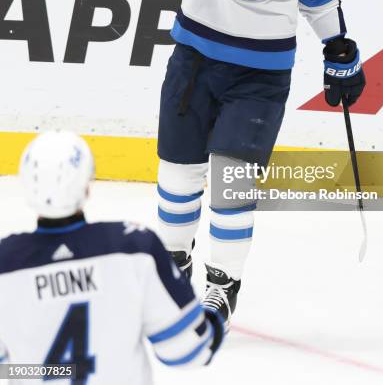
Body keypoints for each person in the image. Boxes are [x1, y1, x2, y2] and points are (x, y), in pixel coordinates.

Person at [157, 0, 365, 328]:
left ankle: (221, 286)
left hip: (260, 75)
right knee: (178, 179)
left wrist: (338, 46)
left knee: (232, 186)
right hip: (196, 61)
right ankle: (172, 266)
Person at [0, 131, 223, 383]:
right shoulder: (134, 248)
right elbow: (189, 351)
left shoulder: (5, 263)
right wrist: (211, 324)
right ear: (87, 183)